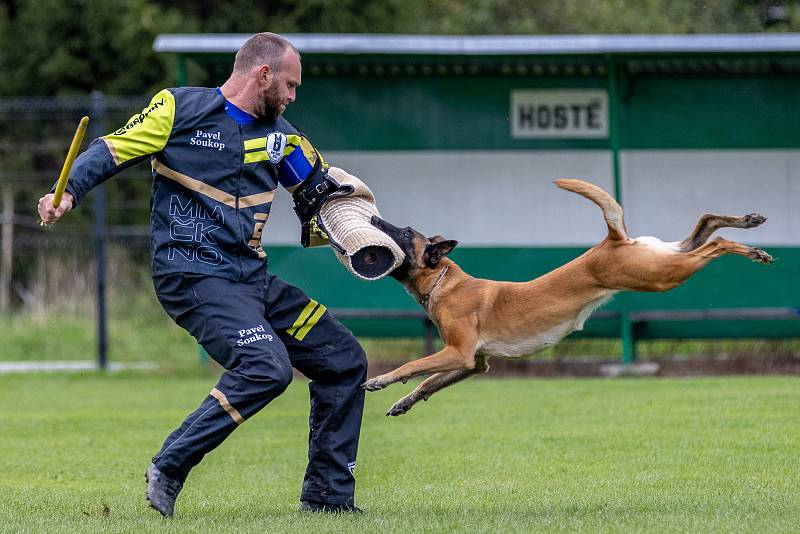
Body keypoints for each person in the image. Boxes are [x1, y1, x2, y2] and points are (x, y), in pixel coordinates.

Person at [37, 32, 367, 517]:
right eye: (291, 86)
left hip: (251, 280)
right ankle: (170, 465)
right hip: (191, 275)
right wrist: (69, 193)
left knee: (343, 359)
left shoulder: (284, 139)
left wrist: (364, 225)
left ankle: (328, 501)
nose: (294, 97)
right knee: (267, 367)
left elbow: (318, 197)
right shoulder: (178, 109)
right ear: (263, 74)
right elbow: (112, 149)